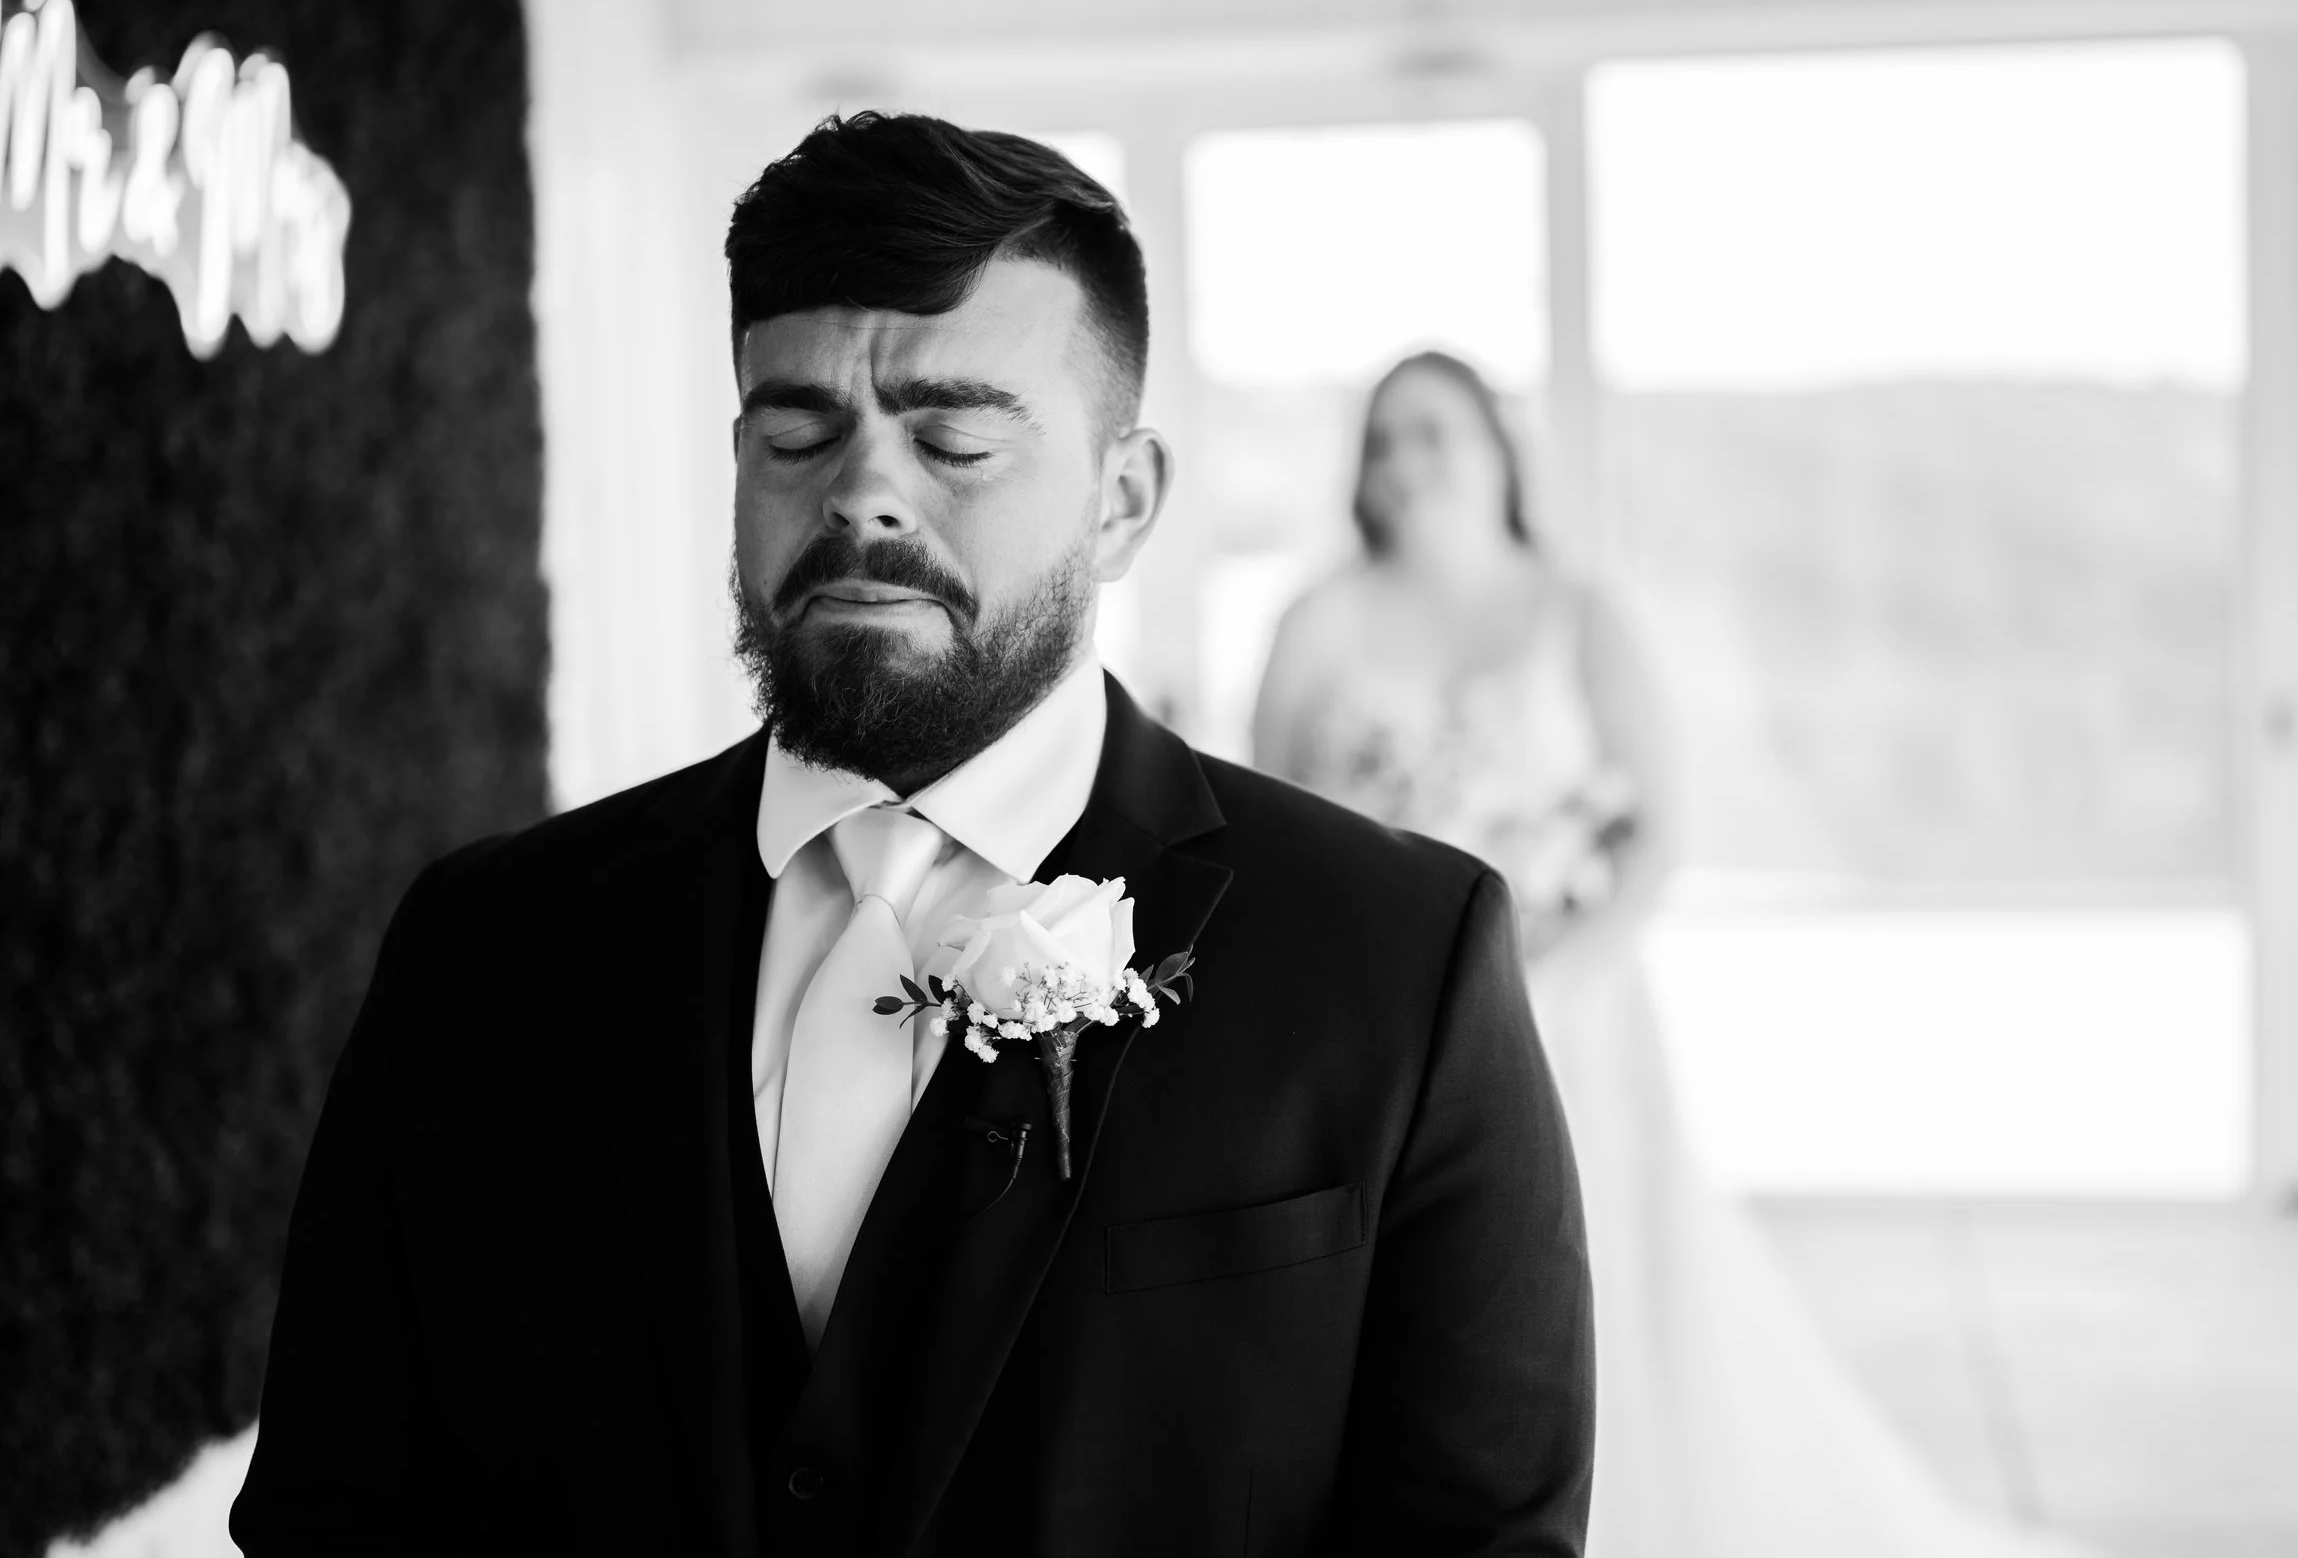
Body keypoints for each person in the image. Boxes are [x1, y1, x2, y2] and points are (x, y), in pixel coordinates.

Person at [232, 119, 1594, 1556]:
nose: (862, 494)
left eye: (954, 437)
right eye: (796, 432)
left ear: (1122, 501)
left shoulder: (1393, 958)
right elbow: (344, 1508)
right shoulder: (483, 945)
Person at [1255, 351, 2094, 1557]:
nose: (1404, 460)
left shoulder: (1578, 613)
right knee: (1410, 1295)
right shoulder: (1316, 618)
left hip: (1572, 1010)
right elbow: (1275, 829)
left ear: (1500, 447)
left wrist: (1536, 980)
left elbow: (1654, 840)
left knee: (1576, 1280)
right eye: (1383, 437)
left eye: (1433, 431)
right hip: (1380, 1025)